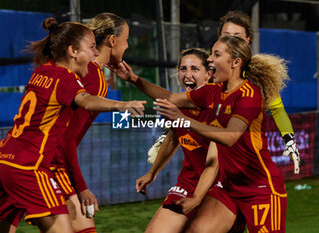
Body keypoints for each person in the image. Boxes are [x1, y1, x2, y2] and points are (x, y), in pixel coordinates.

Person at [0, 17, 145, 233]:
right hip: (30, 165)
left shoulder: (41, 71)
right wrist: (121, 104)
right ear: (73, 51)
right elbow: (84, 101)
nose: (95, 53)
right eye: (91, 48)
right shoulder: (67, 78)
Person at [112, 35, 288, 233]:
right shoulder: (213, 92)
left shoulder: (250, 94)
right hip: (228, 187)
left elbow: (230, 137)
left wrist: (182, 119)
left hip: (259, 188)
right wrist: (134, 79)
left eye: (216, 54)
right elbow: (170, 97)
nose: (210, 59)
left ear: (236, 62)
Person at [49, 12, 130, 233]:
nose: (127, 46)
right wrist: (82, 187)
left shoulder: (78, 69)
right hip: (52, 164)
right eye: (126, 39)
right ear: (112, 41)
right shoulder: (94, 77)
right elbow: (67, 137)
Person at [135, 48, 220, 233]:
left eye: (195, 69)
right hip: (189, 182)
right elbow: (173, 138)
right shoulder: (176, 105)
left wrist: (133, 78)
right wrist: (152, 173)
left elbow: (214, 162)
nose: (187, 74)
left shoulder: (218, 103)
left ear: (208, 74)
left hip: (221, 185)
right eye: (183, 68)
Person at [218, 11, 300, 174]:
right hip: (214, 156)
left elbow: (277, 109)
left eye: (237, 35)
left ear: (248, 39)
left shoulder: (258, 73)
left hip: (248, 159)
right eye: (226, 35)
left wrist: (289, 139)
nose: (231, 40)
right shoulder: (208, 69)